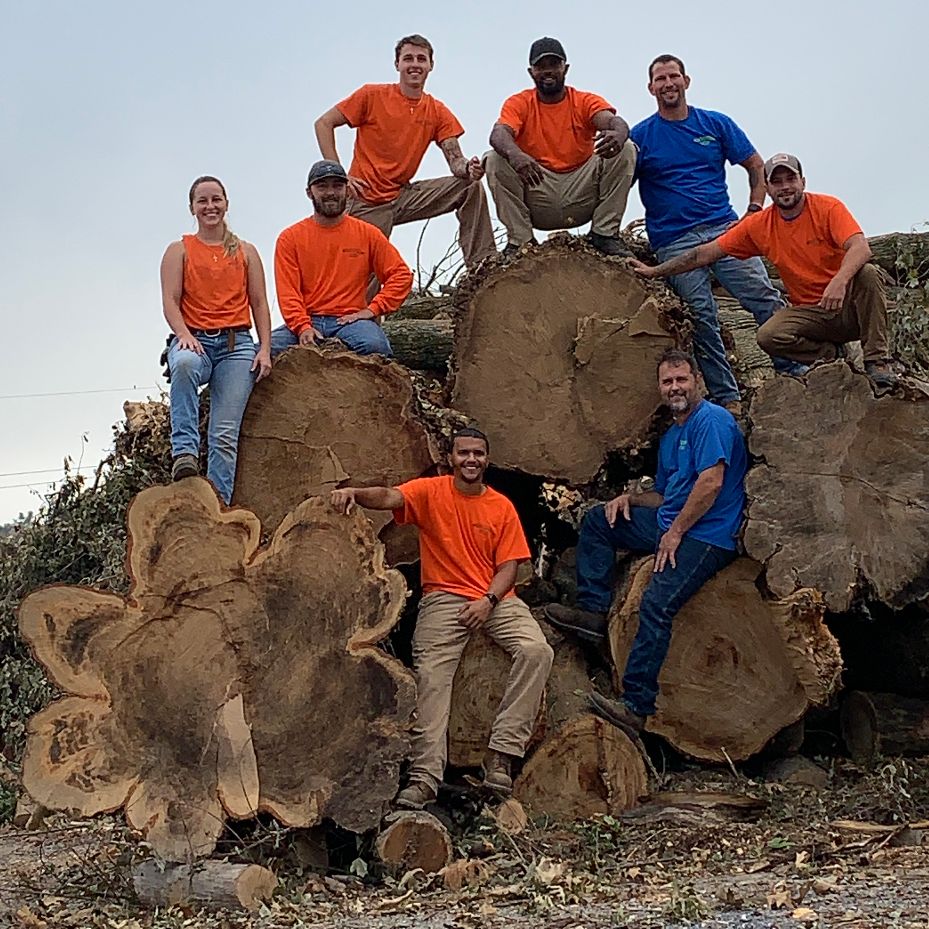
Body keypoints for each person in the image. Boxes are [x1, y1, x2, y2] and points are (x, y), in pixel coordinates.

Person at [330, 427, 554, 809]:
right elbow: (389, 496)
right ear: (451, 458)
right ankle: (424, 778)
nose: (471, 460)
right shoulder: (431, 491)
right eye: (464, 453)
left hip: (495, 598)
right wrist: (354, 493)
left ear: (487, 459)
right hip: (444, 598)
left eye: (478, 454)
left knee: (537, 651)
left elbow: (509, 567)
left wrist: (488, 600)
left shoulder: (500, 506)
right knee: (433, 678)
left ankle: (501, 755)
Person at [544, 349, 746, 735]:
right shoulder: (672, 436)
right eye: (668, 382)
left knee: (655, 604)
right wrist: (629, 500)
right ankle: (592, 613)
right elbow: (667, 494)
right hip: (671, 522)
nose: (675, 388)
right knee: (598, 520)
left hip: (707, 534)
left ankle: (636, 706)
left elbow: (711, 483)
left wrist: (676, 532)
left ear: (697, 381)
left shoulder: (712, 420)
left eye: (681, 379)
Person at [630, 153, 898, 389]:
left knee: (868, 274)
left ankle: (877, 362)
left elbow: (860, 247)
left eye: (790, 180)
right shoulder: (760, 226)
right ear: (767, 188)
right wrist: (655, 271)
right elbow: (703, 253)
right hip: (812, 316)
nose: (785, 187)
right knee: (768, 335)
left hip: (849, 306)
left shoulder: (828, 208)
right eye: (777, 182)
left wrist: (840, 281)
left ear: (803, 182)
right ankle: (830, 355)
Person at [631, 54, 805, 414]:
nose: (668, 84)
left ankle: (792, 370)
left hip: (723, 229)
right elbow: (618, 181)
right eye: (660, 79)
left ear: (686, 81)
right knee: (700, 316)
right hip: (673, 239)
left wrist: (754, 212)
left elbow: (755, 165)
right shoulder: (641, 137)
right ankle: (728, 398)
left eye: (673, 76)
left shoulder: (715, 123)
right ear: (650, 88)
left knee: (763, 296)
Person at [314, 34, 495, 270]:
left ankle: (483, 267)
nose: (415, 64)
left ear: (431, 65)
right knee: (363, 278)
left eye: (421, 59)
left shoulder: (437, 111)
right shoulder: (371, 95)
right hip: (367, 201)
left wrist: (469, 169)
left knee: (469, 187)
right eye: (408, 58)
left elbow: (455, 160)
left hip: (403, 196)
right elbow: (323, 123)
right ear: (397, 64)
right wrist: (339, 176)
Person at [160, 176, 272, 504]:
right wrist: (183, 334)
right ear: (192, 208)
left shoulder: (246, 252)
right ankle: (184, 453)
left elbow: (260, 302)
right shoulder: (179, 250)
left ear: (226, 204)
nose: (210, 207)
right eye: (202, 201)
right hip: (195, 340)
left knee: (224, 433)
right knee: (182, 365)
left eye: (216, 200)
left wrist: (264, 348)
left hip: (236, 346)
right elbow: (170, 300)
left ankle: (217, 505)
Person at [485, 37, 636, 258]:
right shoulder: (519, 103)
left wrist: (618, 134)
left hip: (582, 188)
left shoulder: (584, 100)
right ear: (531, 72)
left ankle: (605, 233)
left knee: (626, 148)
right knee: (495, 159)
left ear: (565, 68)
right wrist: (516, 155)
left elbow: (614, 121)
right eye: (540, 66)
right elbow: (498, 134)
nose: (548, 71)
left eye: (554, 65)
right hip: (538, 187)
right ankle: (521, 241)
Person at [271, 160, 413, 358]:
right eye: (322, 186)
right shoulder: (290, 238)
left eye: (337, 186)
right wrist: (302, 326)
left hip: (350, 321)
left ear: (347, 190)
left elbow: (401, 275)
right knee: (258, 354)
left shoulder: (367, 234)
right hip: (306, 319)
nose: (330, 192)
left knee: (376, 347)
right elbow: (288, 292)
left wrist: (373, 309)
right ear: (309, 192)